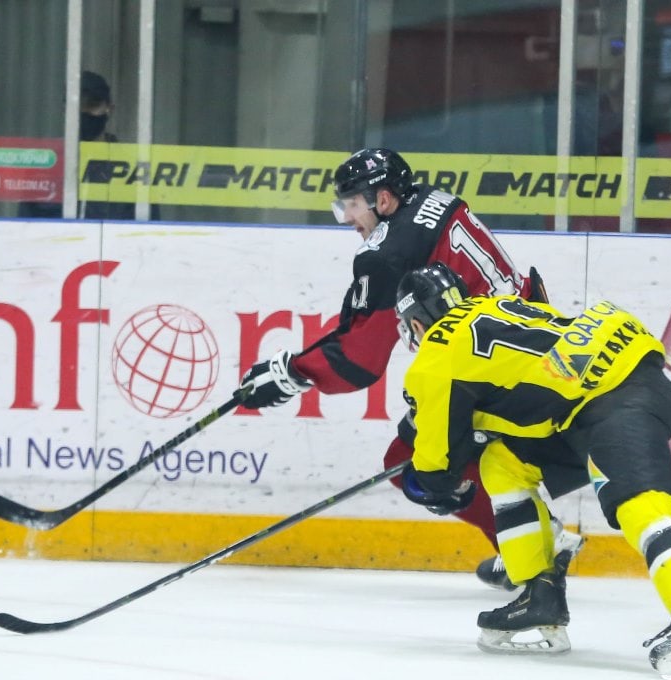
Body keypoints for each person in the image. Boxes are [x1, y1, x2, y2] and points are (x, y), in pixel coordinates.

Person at [237, 147, 582, 588]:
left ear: (382, 199)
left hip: (498, 368)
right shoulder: (431, 201)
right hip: (534, 340)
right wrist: (298, 367)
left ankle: (538, 550)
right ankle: (537, 542)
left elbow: (360, 359)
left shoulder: (390, 250)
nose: (348, 218)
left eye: (352, 205)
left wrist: (294, 374)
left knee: (410, 461)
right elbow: (362, 320)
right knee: (460, 452)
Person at [393, 262, 671, 679]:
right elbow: (525, 381)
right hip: (600, 394)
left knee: (639, 504)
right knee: (503, 462)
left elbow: (438, 469)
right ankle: (539, 596)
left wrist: (430, 484)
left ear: (416, 323)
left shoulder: (435, 355)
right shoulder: (494, 307)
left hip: (614, 399)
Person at [19, 70, 140, 220]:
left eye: (92, 105)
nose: (83, 113)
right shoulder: (44, 165)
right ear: (65, 109)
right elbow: (25, 226)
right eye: (76, 106)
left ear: (110, 109)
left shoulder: (131, 168)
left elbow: (149, 228)